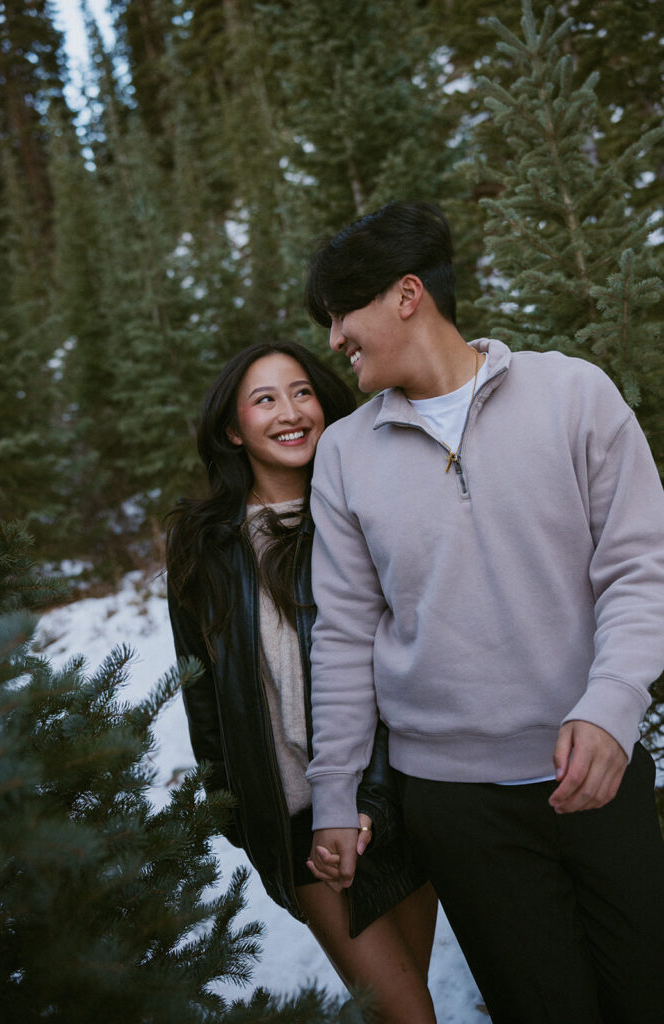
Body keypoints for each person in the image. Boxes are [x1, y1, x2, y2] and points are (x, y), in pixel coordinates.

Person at [302, 201, 664, 1024]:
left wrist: (612, 705)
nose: (333, 338)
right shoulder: (344, 455)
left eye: (340, 313)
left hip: (600, 774)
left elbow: (641, 567)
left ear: (406, 295)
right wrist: (334, 794)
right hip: (455, 805)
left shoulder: (572, 393)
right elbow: (344, 636)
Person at [165, 341, 438, 1024]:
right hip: (299, 826)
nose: (289, 412)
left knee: (408, 1003)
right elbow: (202, 691)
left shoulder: (360, 512)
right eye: (264, 400)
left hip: (395, 798)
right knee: (405, 1013)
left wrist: (373, 801)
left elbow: (403, 662)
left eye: (302, 392)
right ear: (233, 429)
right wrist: (235, 809)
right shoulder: (204, 545)